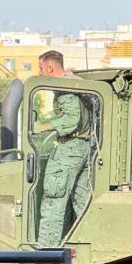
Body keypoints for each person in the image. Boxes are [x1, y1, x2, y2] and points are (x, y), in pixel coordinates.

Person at [36, 51, 92, 245]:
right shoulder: (75, 83)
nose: (40, 73)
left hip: (69, 148)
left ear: (50, 68)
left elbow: (70, 120)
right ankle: (83, 243)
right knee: (82, 201)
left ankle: (46, 251)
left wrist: (43, 126)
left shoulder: (65, 89)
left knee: (54, 198)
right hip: (84, 148)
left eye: (41, 69)